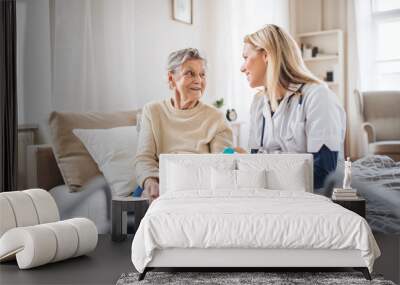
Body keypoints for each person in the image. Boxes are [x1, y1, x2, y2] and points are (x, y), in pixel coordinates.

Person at [239, 24, 346, 190]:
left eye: (246, 58)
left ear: (266, 55)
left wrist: (266, 175)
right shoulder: (258, 103)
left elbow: (324, 173)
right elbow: (255, 162)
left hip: (315, 200)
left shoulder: (318, 97)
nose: (242, 68)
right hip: (271, 196)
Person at [134, 48, 233, 202]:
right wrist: (150, 182)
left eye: (202, 74)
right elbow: (144, 159)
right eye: (190, 73)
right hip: (160, 184)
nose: (198, 80)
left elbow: (221, 166)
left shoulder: (216, 118)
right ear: (171, 78)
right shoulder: (153, 111)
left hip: (199, 189)